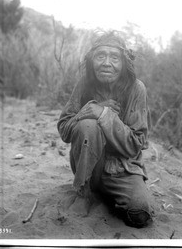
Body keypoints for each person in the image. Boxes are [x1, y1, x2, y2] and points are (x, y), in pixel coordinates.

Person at [57, 31, 153, 228]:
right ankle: (84, 192)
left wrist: (104, 114)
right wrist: (86, 112)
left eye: (114, 57)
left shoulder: (137, 89)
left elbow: (135, 144)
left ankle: (108, 193)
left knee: (140, 214)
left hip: (121, 169)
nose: (106, 63)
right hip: (87, 168)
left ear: (124, 63)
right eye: (100, 56)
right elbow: (65, 131)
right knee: (88, 125)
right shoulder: (84, 84)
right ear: (92, 60)